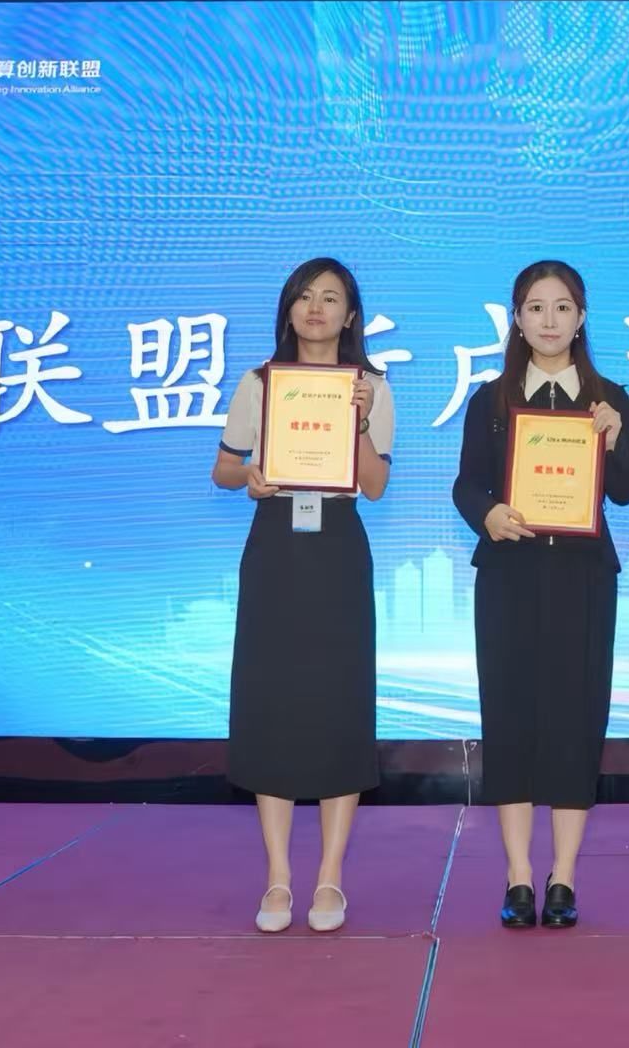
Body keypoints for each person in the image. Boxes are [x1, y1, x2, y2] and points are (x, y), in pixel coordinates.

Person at [453, 261, 629, 929]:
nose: (550, 320)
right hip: (510, 575)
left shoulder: (609, 397)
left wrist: (615, 437)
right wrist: (489, 514)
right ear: (517, 318)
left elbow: (625, 490)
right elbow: (466, 485)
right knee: (509, 717)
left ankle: (562, 877)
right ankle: (518, 877)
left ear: (581, 318)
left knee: (575, 716)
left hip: (583, 577)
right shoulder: (491, 399)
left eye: (563, 307)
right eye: (536, 307)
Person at [211, 257, 394, 935]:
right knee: (273, 702)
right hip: (276, 544)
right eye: (304, 296)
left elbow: (374, 485)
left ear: (351, 315)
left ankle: (329, 876)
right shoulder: (259, 383)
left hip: (337, 547)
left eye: (331, 298)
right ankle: (279, 877)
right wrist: (252, 477)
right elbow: (223, 467)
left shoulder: (372, 387)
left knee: (338, 702)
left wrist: (361, 421)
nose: (316, 308)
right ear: (288, 309)